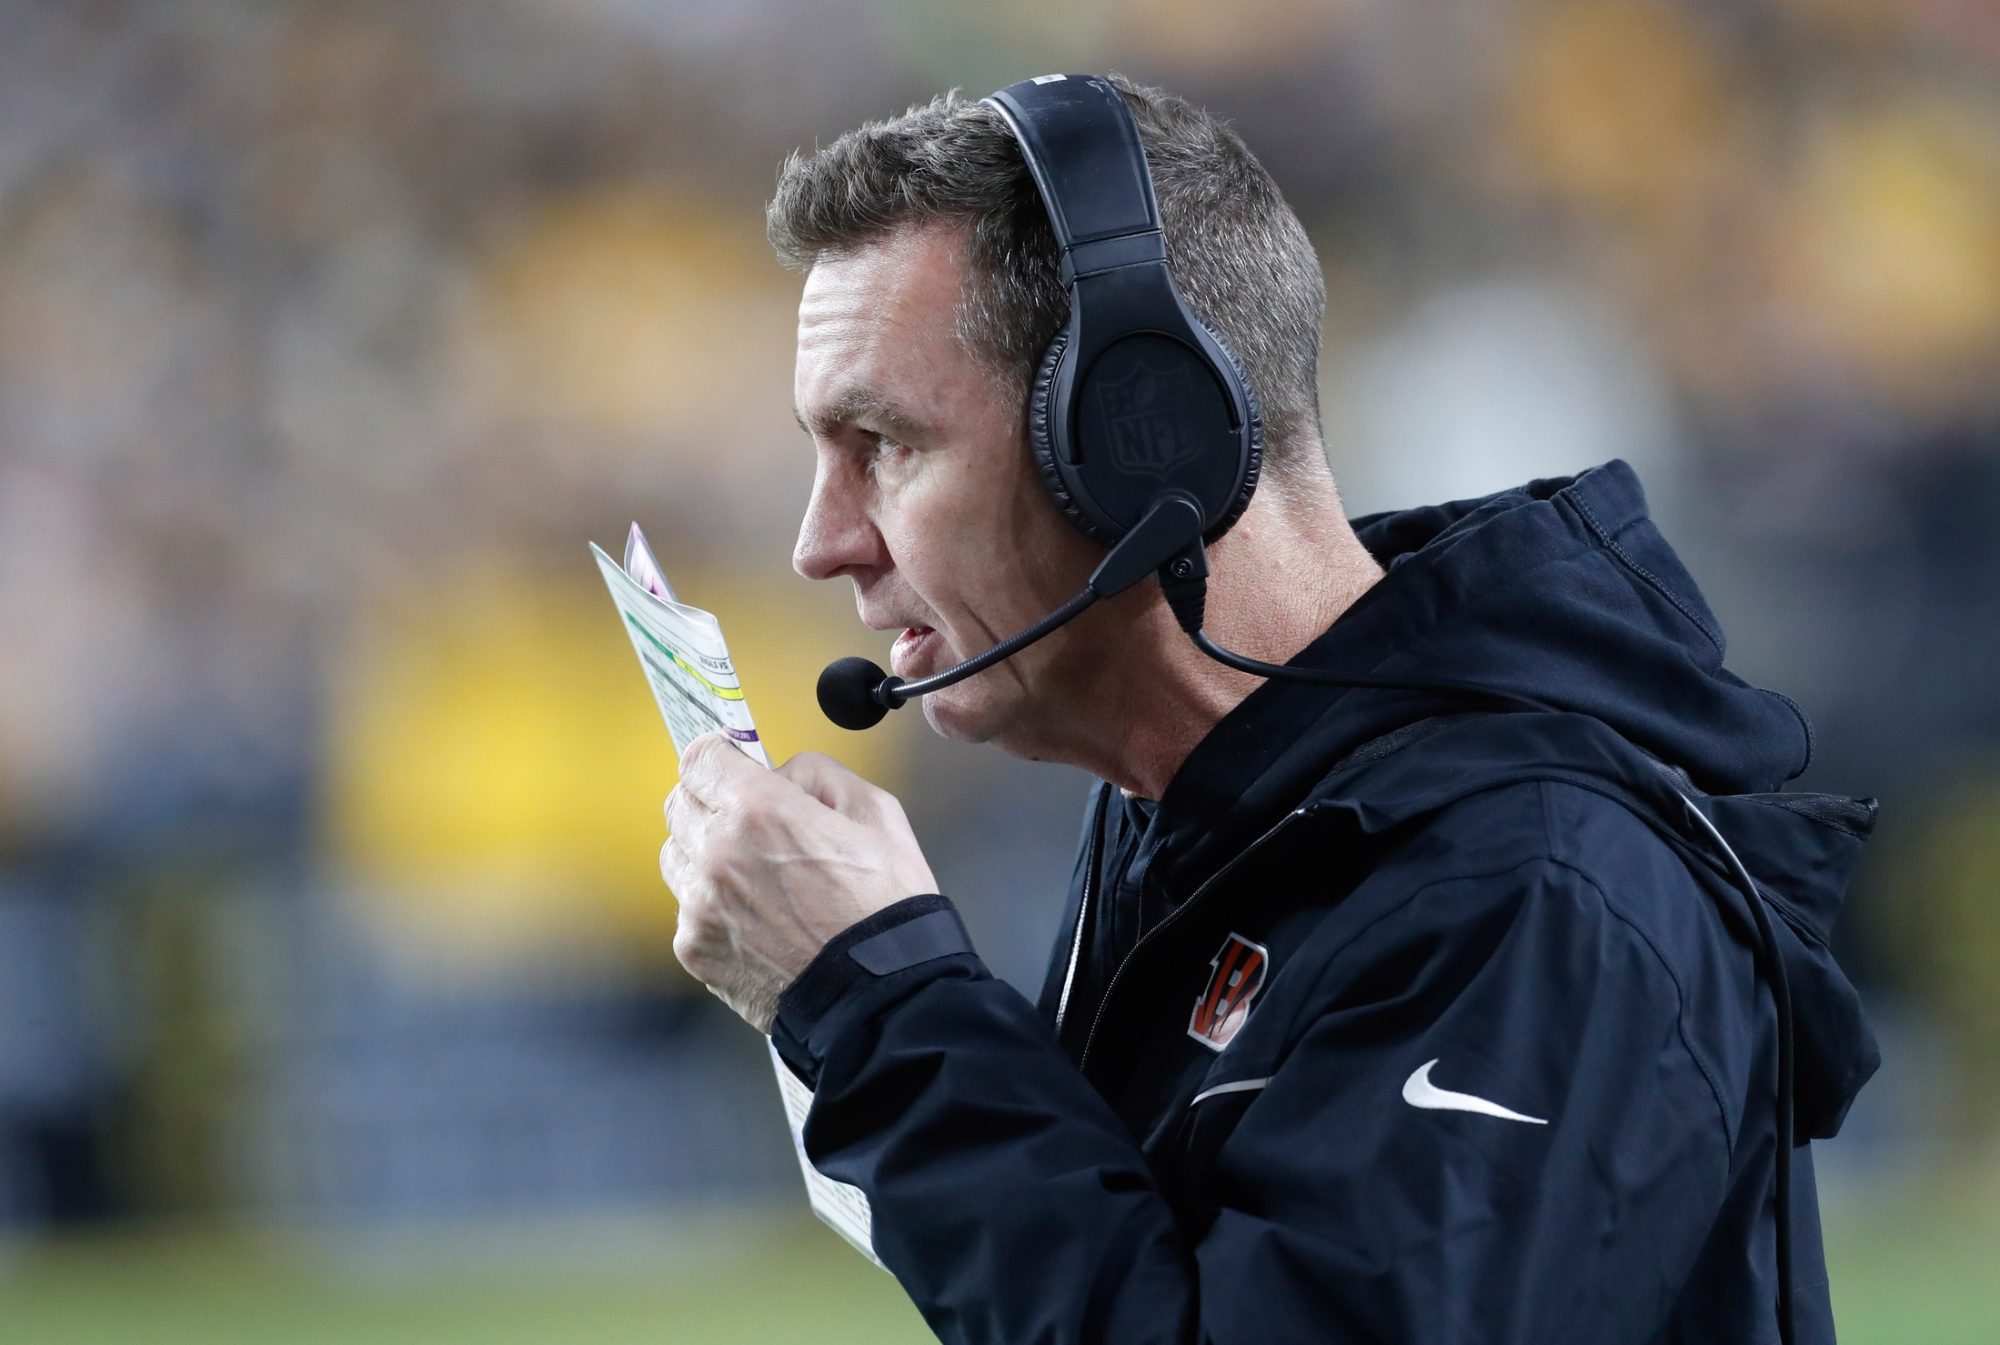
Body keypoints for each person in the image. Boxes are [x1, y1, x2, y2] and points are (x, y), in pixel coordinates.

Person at [657, 75, 1879, 1344]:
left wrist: (886, 1008)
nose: (820, 541)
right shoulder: (1205, 810)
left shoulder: (1537, 883)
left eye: (885, 445)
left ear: (1140, 442)